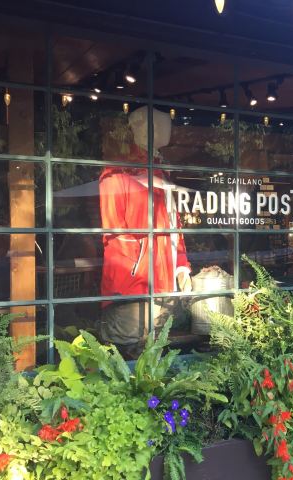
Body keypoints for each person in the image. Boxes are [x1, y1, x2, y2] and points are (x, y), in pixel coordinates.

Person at [98, 106, 191, 358]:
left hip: (163, 283)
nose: (167, 128)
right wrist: (137, 271)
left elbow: (173, 225)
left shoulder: (159, 172)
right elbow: (115, 231)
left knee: (155, 355)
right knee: (129, 357)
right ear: (139, 128)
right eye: (158, 123)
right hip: (133, 288)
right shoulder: (118, 173)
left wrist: (181, 266)